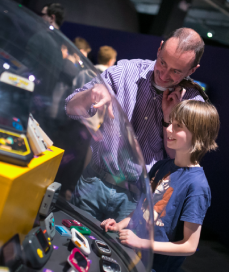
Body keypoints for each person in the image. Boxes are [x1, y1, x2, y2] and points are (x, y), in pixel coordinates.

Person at [65, 28, 207, 222]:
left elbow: (179, 160)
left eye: (176, 71)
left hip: (138, 200)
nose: (164, 75)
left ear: (192, 70)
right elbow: (70, 107)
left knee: (121, 252)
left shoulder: (193, 102)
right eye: (162, 62)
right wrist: (92, 93)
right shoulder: (125, 72)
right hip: (94, 182)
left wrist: (169, 119)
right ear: (159, 49)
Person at [101, 100, 220, 272]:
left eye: (178, 126)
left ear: (198, 134)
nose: (169, 129)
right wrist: (121, 225)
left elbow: (189, 246)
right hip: (130, 255)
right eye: (171, 122)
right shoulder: (161, 166)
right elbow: (143, 208)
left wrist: (142, 243)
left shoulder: (197, 186)